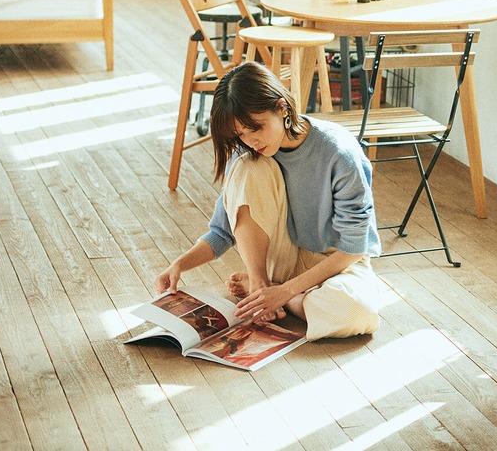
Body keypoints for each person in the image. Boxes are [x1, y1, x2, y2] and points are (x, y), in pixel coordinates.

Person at [155, 61, 383, 340]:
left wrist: (284, 292)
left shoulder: (338, 152)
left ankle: (275, 294)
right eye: (241, 134)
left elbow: (353, 247)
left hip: (336, 264)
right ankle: (265, 285)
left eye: (257, 128)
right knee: (248, 166)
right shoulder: (248, 156)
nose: (251, 141)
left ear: (282, 108)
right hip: (283, 258)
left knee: (356, 313)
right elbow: (222, 230)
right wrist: (179, 265)